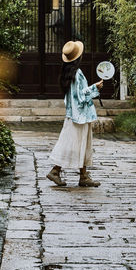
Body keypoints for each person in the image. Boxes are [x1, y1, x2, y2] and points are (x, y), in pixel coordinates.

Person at [46, 40, 103, 188]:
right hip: (80, 116)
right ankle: (56, 171)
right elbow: (80, 96)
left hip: (74, 115)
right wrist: (95, 88)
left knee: (76, 143)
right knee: (74, 144)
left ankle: (82, 175)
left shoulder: (68, 73)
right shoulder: (77, 74)